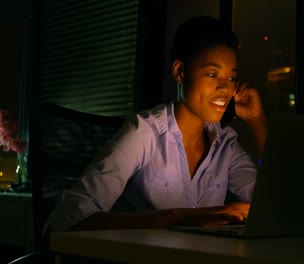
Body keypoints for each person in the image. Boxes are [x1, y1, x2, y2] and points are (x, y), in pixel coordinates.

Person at [47, 16, 268, 231]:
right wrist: (176, 217)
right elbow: (68, 218)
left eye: (231, 78)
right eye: (212, 74)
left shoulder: (225, 145)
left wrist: (257, 120)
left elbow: (274, 203)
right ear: (179, 72)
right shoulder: (144, 132)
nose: (225, 88)